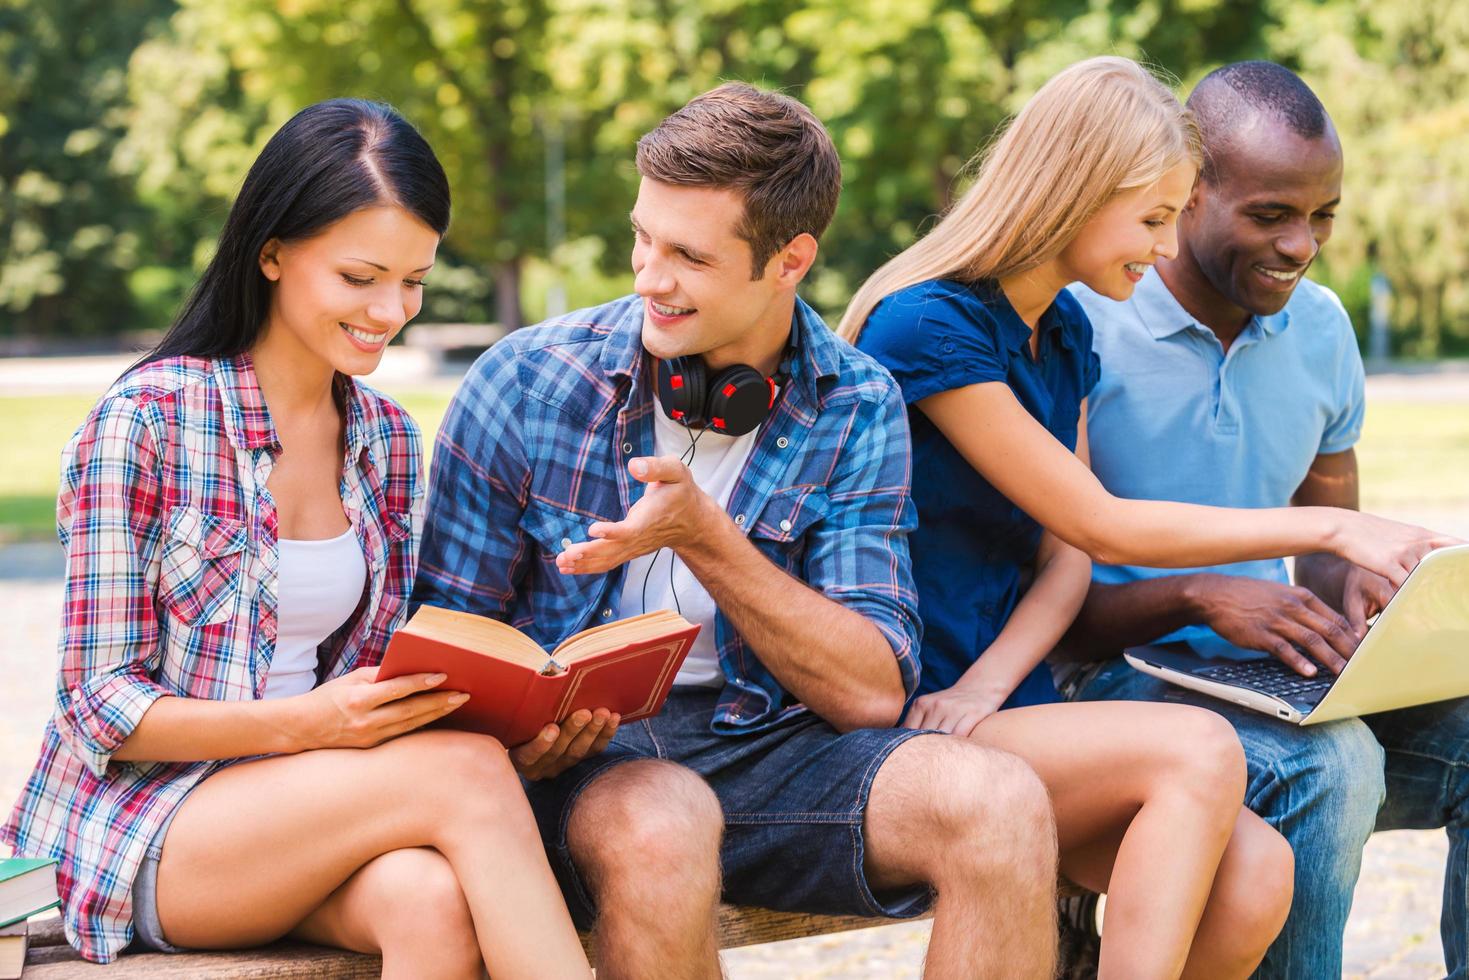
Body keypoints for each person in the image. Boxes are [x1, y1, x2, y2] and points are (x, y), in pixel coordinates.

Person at [414, 82, 1062, 980]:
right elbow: (443, 635)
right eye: (642, 237)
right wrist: (517, 739)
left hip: (770, 750)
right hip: (581, 772)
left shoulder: (858, 402)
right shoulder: (527, 380)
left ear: (789, 261)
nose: (648, 276)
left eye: (687, 255)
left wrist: (707, 539)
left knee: (997, 799)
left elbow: (872, 690)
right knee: (661, 820)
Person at [838, 56, 1455, 977]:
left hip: (998, 690)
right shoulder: (927, 326)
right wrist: (1322, 531)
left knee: (1253, 878)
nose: (1164, 250)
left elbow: (1062, 556)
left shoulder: (1066, 334)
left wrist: (987, 686)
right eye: (1155, 219)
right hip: (926, 696)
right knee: (1259, 759)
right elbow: (1101, 526)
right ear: (1079, 195)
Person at [0, 99, 591, 978]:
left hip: (304, 811)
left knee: (430, 903)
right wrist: (307, 725)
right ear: (272, 252)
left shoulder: (386, 439)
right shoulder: (149, 420)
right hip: (146, 828)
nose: (391, 310)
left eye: (414, 280)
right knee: (462, 775)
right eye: (361, 277)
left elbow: (375, 670)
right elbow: (99, 708)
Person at [1056, 61, 1469, 979]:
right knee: (1329, 765)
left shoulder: (1321, 330)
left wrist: (1364, 593)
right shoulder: (1085, 318)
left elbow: (1326, 538)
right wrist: (1203, 599)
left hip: (1260, 682)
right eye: (1270, 214)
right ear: (1187, 191)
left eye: (1322, 214)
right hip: (1099, 686)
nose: (1303, 244)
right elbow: (1048, 606)